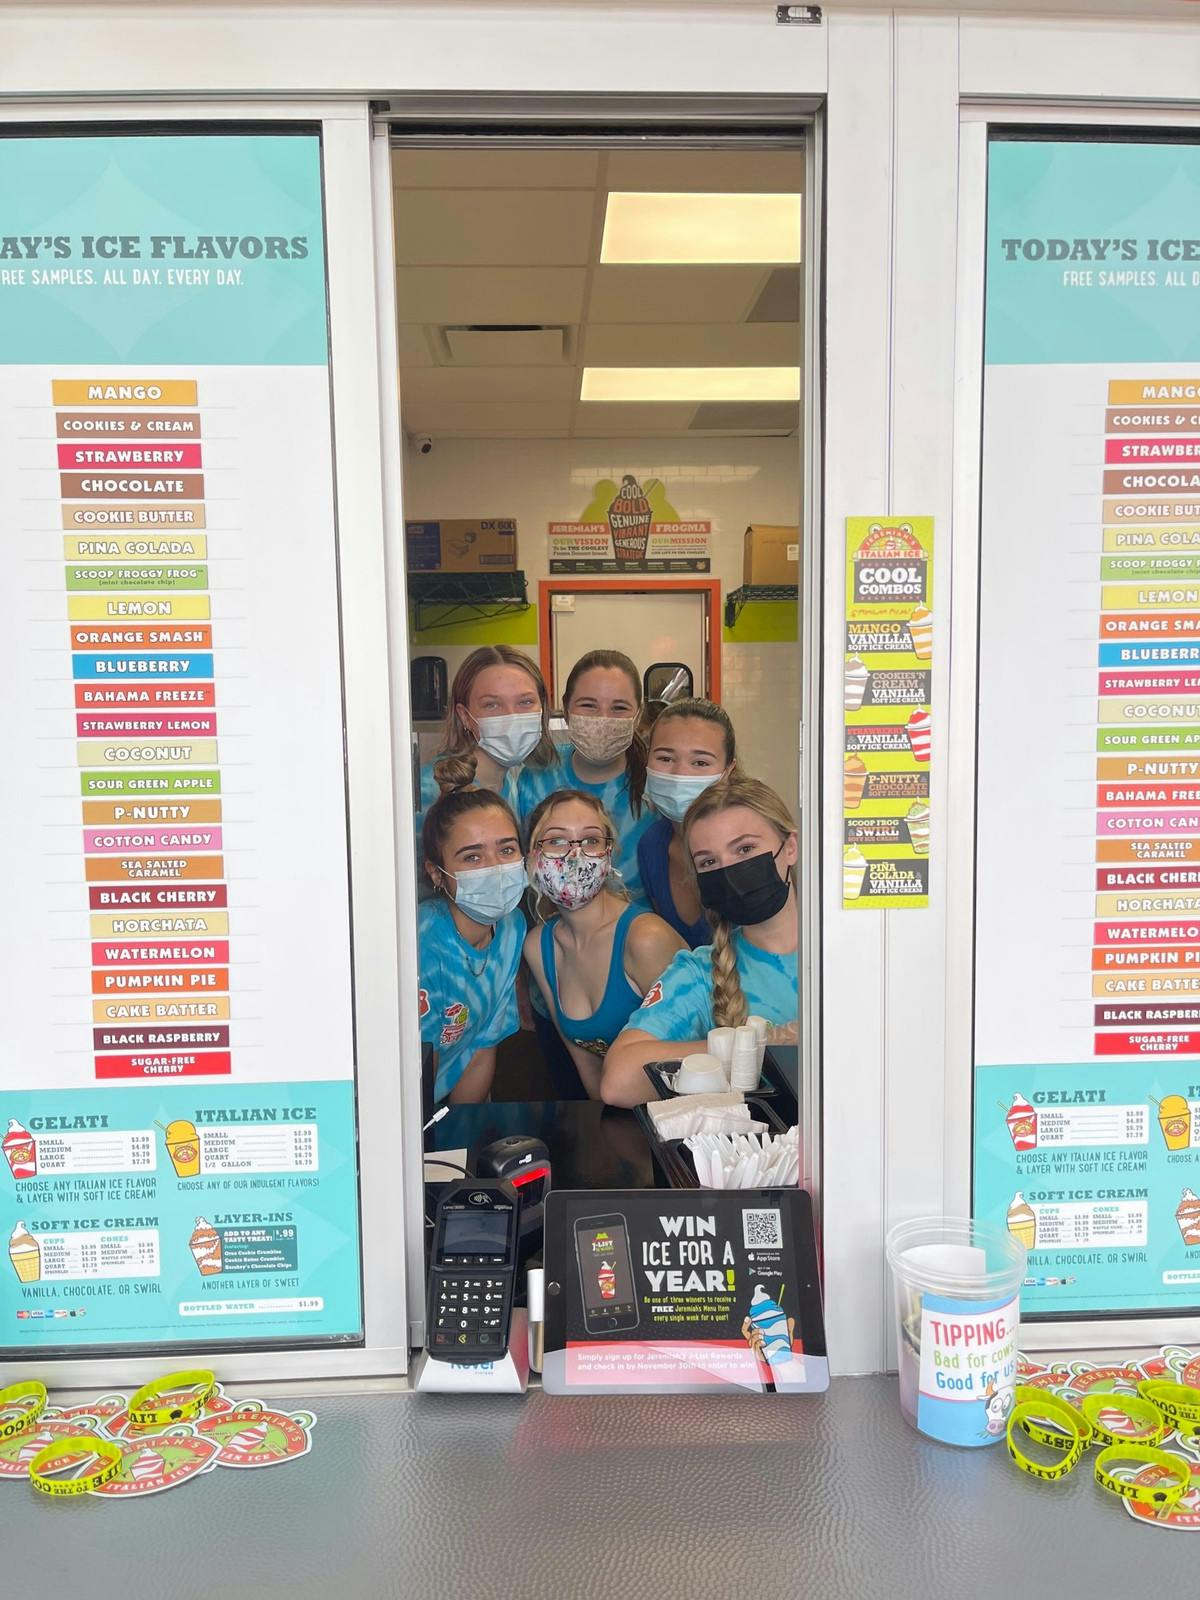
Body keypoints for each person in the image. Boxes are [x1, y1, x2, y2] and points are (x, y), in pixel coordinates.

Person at [601, 774, 799, 1107]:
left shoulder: (859, 951)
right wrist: (756, 1047)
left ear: (790, 847)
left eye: (745, 849)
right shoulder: (699, 972)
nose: (730, 870)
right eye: (709, 862)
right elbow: (618, 1081)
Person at [523, 790, 685, 1099]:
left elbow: (702, 1058)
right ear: (532, 857)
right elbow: (590, 1072)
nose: (575, 855)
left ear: (609, 856)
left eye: (591, 840)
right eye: (557, 840)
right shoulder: (538, 947)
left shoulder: (644, 938)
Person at [417, 761, 528, 1104]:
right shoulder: (421, 946)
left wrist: (465, 1132)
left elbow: (481, 1046)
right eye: (472, 858)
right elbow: (413, 1069)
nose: (496, 868)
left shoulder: (511, 929)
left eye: (507, 850)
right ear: (437, 874)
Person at [517, 649, 653, 901]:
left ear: (637, 715)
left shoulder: (654, 788)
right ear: (566, 708)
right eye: (589, 705)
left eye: (619, 707)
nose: (603, 719)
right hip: (550, 929)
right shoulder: (535, 777)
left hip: (635, 932)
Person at [414, 645, 557, 856]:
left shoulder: (512, 782)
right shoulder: (430, 791)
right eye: (492, 705)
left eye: (525, 702)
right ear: (464, 716)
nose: (511, 717)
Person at [637, 699, 736, 947]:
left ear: (727, 771)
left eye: (700, 763)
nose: (680, 773)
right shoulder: (652, 845)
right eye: (665, 758)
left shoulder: (748, 849)